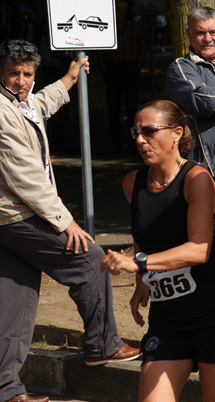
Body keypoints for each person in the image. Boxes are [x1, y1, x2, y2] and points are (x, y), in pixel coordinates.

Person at [0, 40, 141, 402]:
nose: (20, 80)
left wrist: (68, 79)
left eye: (27, 74)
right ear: (1, 73)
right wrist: (65, 222)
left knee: (16, 303)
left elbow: (39, 105)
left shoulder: (20, 100)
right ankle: (102, 344)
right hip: (18, 214)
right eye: (13, 73)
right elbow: (26, 176)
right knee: (91, 260)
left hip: (11, 217)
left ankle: (6, 389)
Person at [101, 100, 215, 402]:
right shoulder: (133, 182)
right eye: (136, 132)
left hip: (213, 311)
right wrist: (141, 284)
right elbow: (142, 236)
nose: (140, 140)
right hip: (168, 315)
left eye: (149, 131)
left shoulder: (197, 179)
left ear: (176, 133)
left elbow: (199, 250)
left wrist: (139, 264)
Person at [166, 7, 215, 278]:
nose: (207, 38)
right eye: (200, 33)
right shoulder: (181, 68)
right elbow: (199, 98)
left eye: (212, 32)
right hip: (213, 179)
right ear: (188, 35)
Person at [98, 0, 145, 152]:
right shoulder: (106, 27)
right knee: (113, 107)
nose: (117, 11)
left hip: (130, 69)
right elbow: (99, 50)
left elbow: (142, 49)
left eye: (120, 9)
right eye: (115, 9)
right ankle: (116, 144)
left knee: (132, 107)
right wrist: (104, 69)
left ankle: (133, 143)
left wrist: (137, 68)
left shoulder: (134, 27)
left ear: (125, 11)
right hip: (112, 69)